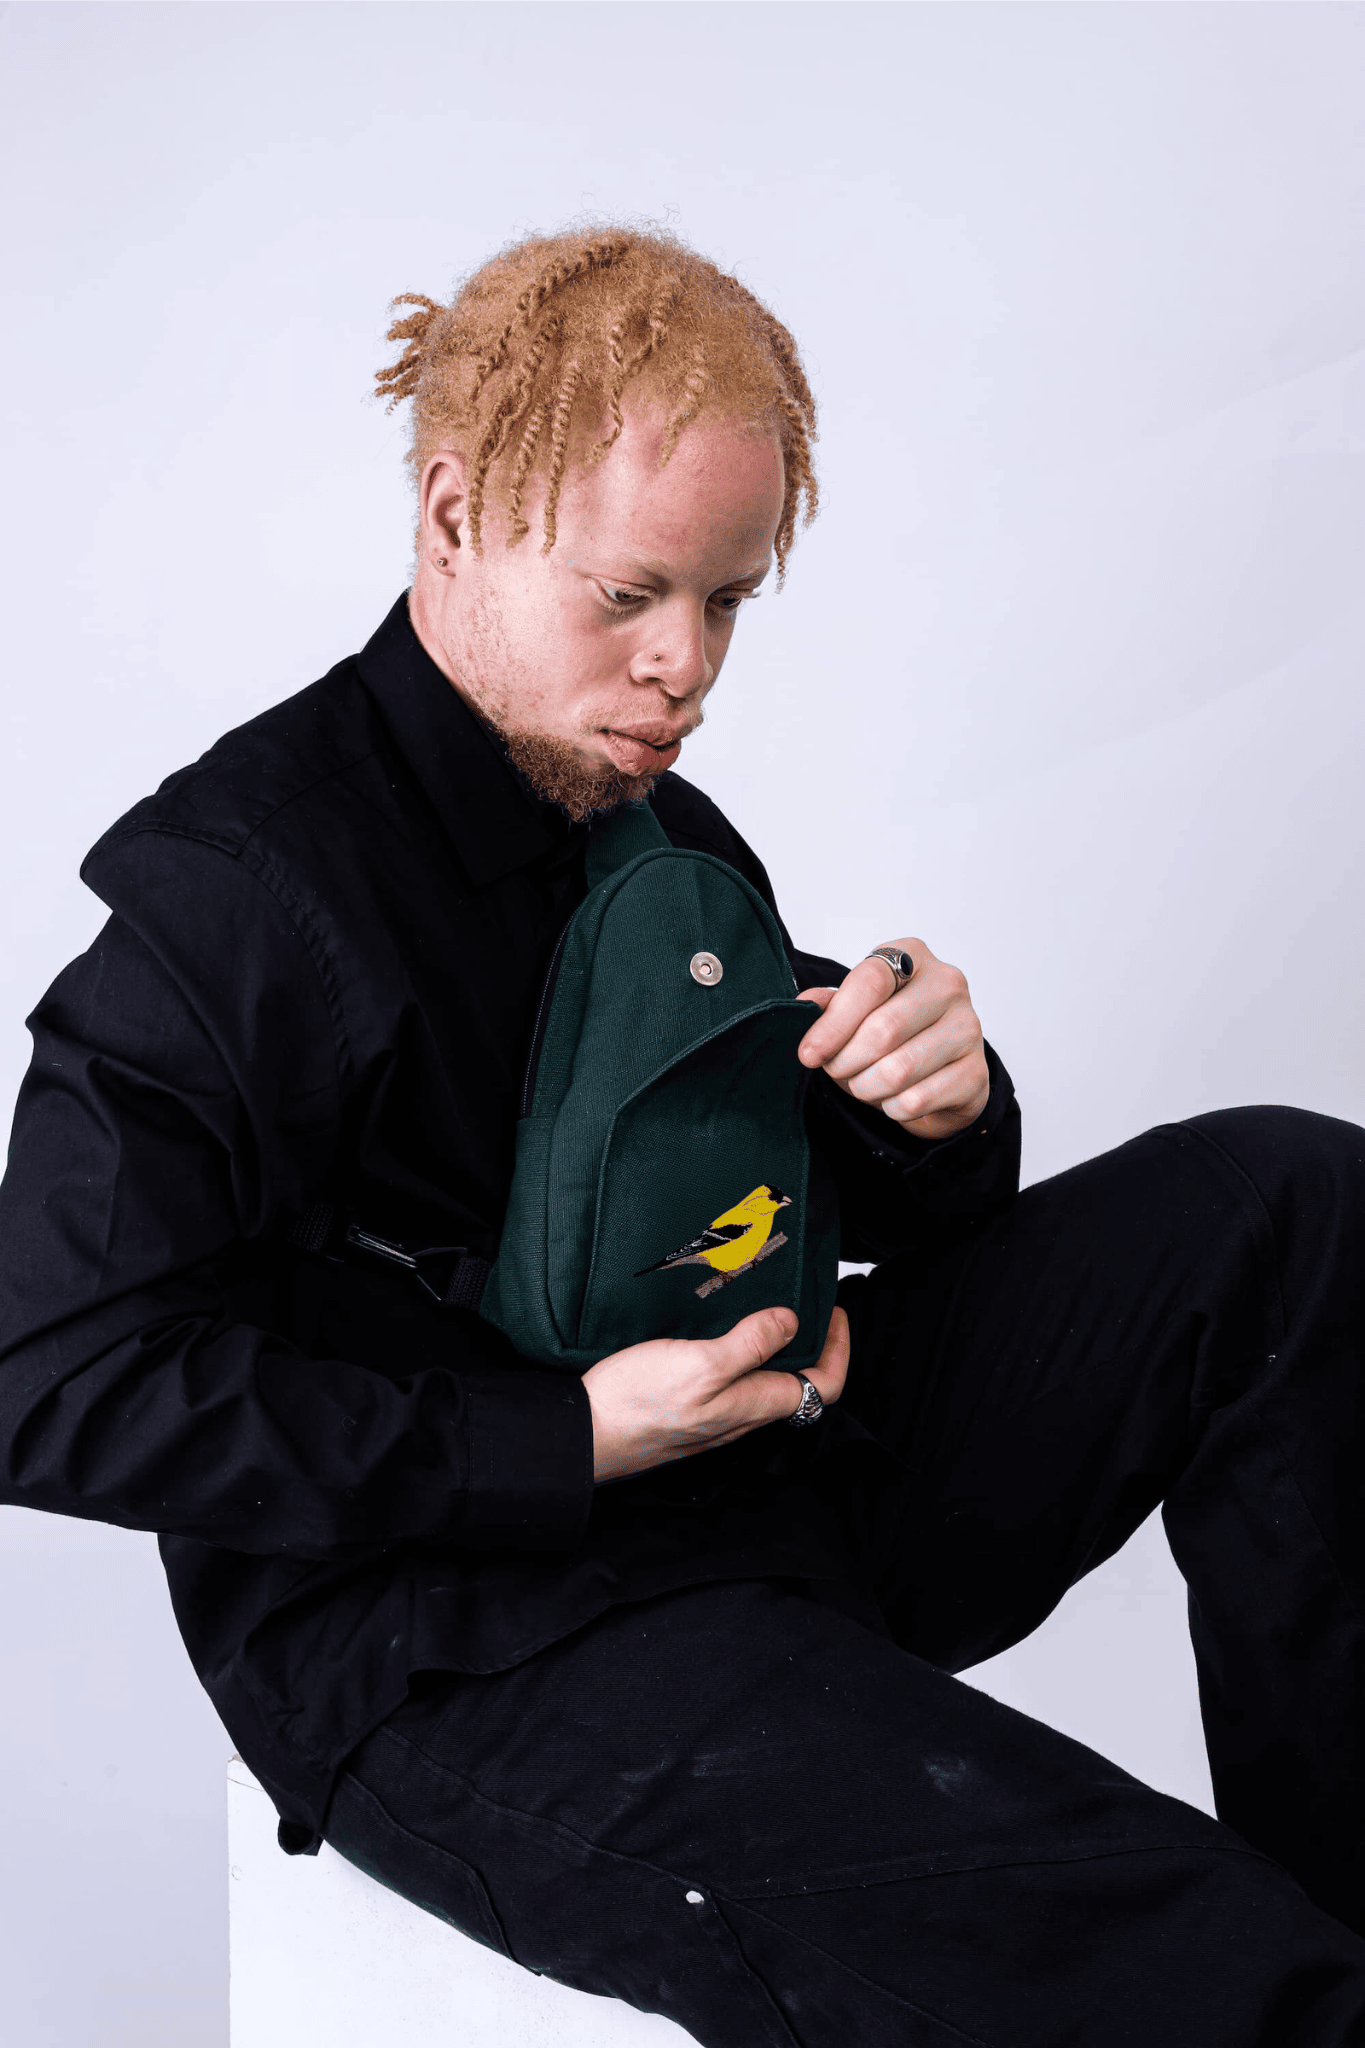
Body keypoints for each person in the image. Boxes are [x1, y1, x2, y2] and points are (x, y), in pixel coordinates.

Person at [1, 227, 1364, 2047]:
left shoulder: (654, 827)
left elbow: (796, 1190)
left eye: (727, 603)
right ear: (455, 515)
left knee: (1294, 1206)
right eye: (633, 592)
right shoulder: (240, 891)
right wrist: (562, 1438)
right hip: (468, 1646)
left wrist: (939, 1108)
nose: (685, 667)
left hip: (765, 1479)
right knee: (1200, 1957)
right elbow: (43, 1378)